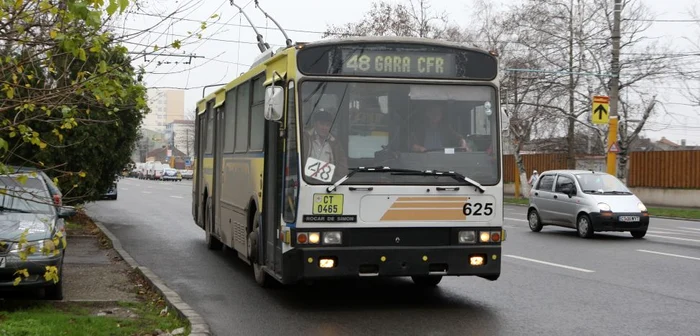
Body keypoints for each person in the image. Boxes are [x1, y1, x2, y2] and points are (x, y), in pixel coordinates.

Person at [302, 108, 348, 179]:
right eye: (322, 124)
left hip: (328, 184)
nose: (325, 128)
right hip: (306, 181)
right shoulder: (304, 139)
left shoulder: (335, 143)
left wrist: (336, 179)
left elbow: (342, 166)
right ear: (315, 124)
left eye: (328, 125)